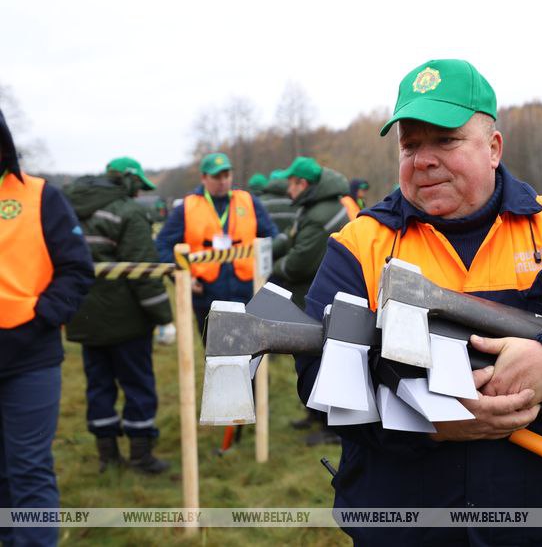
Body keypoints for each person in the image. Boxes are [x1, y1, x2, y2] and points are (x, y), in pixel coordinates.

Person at [295, 59, 542, 545]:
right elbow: (319, 382)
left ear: (493, 148)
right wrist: (430, 422)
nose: (424, 159)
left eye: (446, 140)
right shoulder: (359, 244)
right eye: (411, 145)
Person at [0, 108, 94, 546]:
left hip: (29, 358)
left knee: (28, 467)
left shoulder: (40, 196)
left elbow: (77, 269)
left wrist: (41, 317)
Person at [64, 157, 175, 474]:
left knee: (98, 385)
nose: (139, 194)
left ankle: (107, 455)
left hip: (83, 316)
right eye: (138, 187)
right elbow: (143, 271)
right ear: (127, 181)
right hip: (126, 322)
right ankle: (141, 455)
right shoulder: (128, 212)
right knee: (137, 384)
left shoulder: (70, 209)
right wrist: (163, 318)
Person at [271, 156, 351, 445]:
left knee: (324, 360)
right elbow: (294, 242)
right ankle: (316, 416)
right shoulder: (314, 208)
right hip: (317, 296)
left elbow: (299, 263)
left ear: (302, 184)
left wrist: (274, 266)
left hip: (323, 301)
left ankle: (332, 428)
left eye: (290, 184)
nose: (287, 190)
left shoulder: (318, 215)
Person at [155, 153, 278, 334]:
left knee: (247, 351)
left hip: (245, 292)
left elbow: (272, 238)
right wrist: (183, 277)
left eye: (226, 175)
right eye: (216, 176)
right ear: (204, 177)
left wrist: (266, 275)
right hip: (206, 295)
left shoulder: (249, 202)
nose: (223, 181)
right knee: (213, 353)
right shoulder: (187, 207)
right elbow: (162, 245)